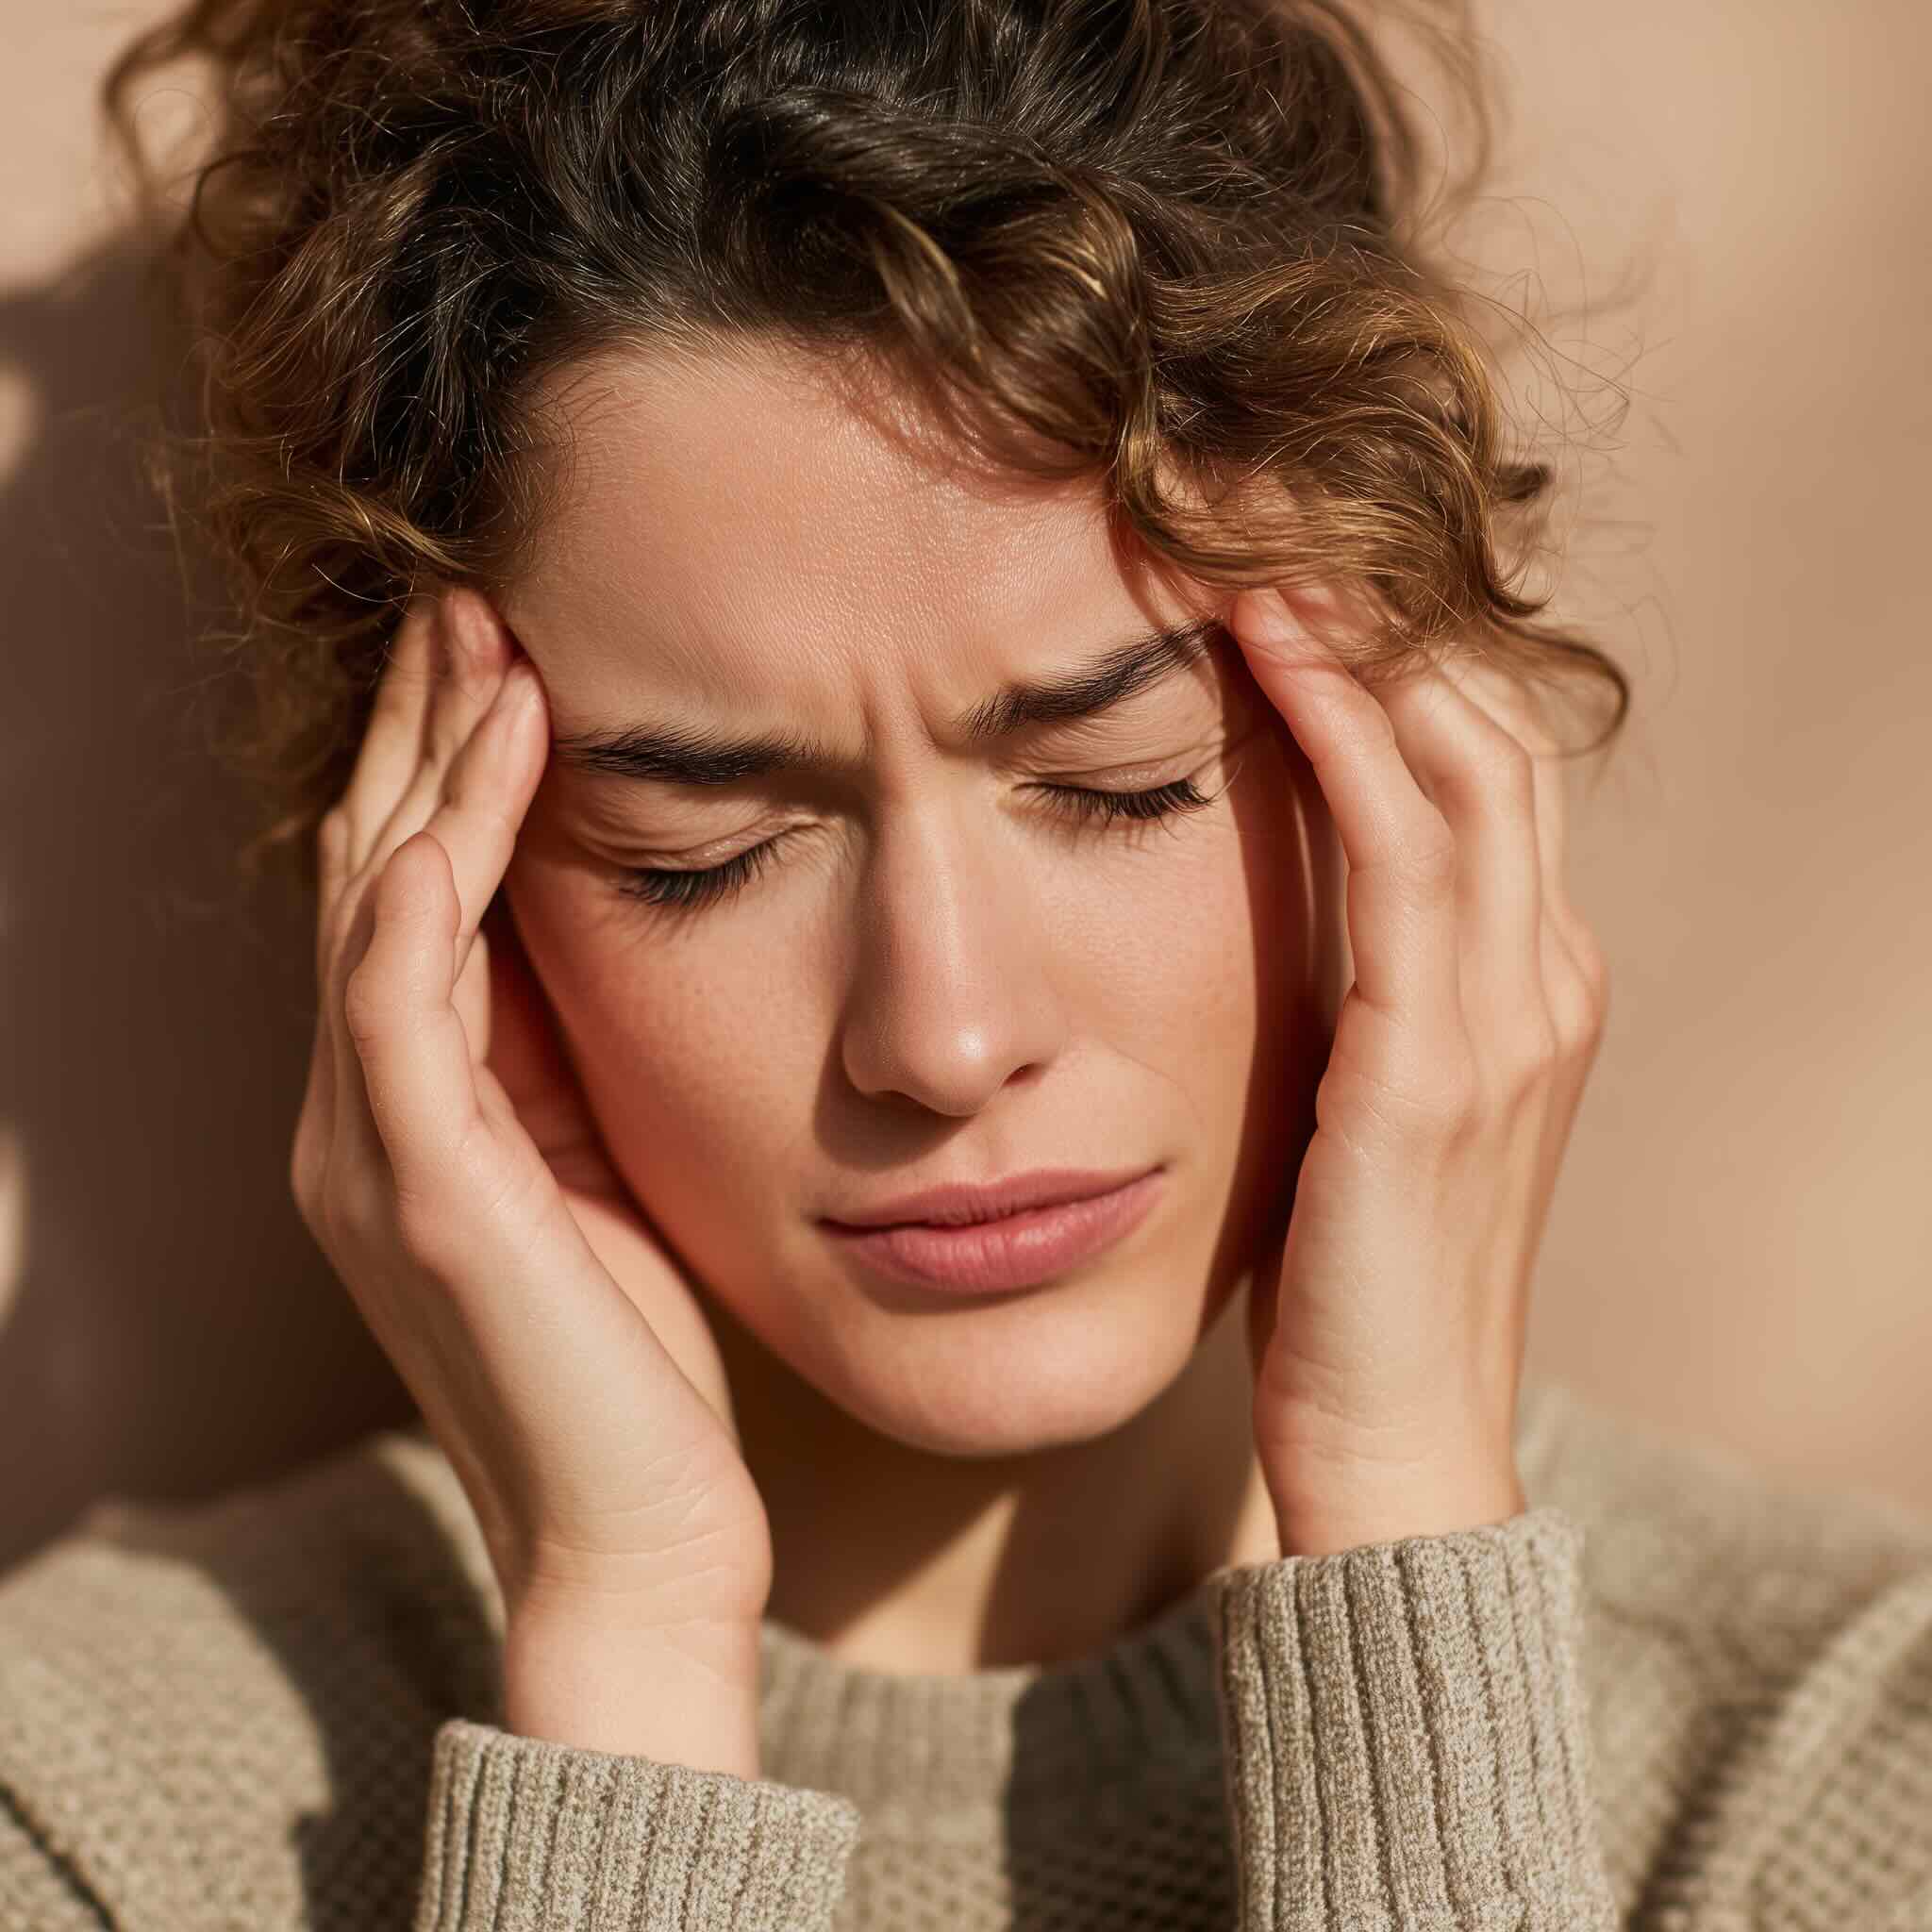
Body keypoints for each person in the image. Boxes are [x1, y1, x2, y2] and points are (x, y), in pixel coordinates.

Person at [4, 1, 1931, 1927]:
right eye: (707, 849)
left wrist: (1402, 1533)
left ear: (1421, 758)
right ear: (445, 880)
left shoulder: (1835, 1761)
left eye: (1119, 781)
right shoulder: (97, 1812)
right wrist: (626, 1662)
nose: (944, 1033)